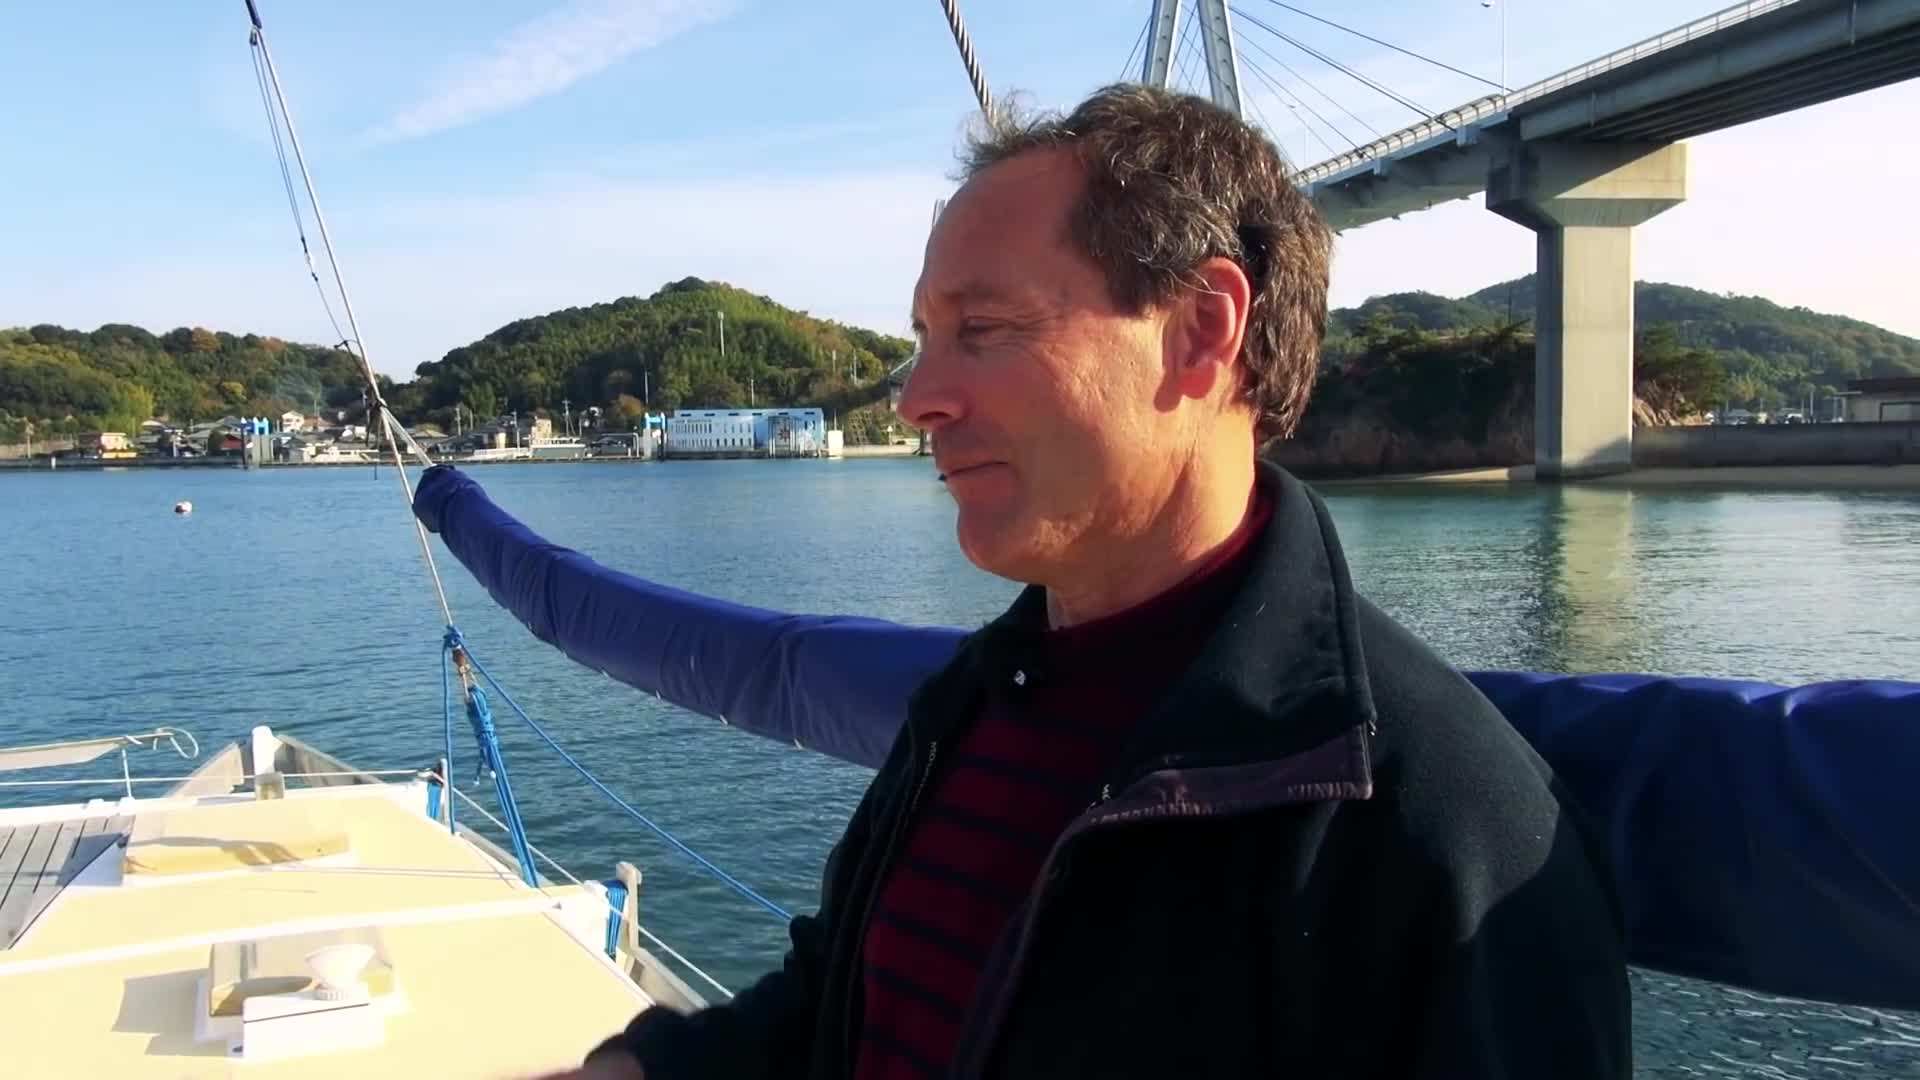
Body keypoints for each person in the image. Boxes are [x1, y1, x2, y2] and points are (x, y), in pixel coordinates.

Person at [495, 83, 1634, 1078]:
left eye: (983, 328)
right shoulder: (974, 703)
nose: (917, 398)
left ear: (1201, 332)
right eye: (924, 337)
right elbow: (846, 997)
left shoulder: (1438, 829)